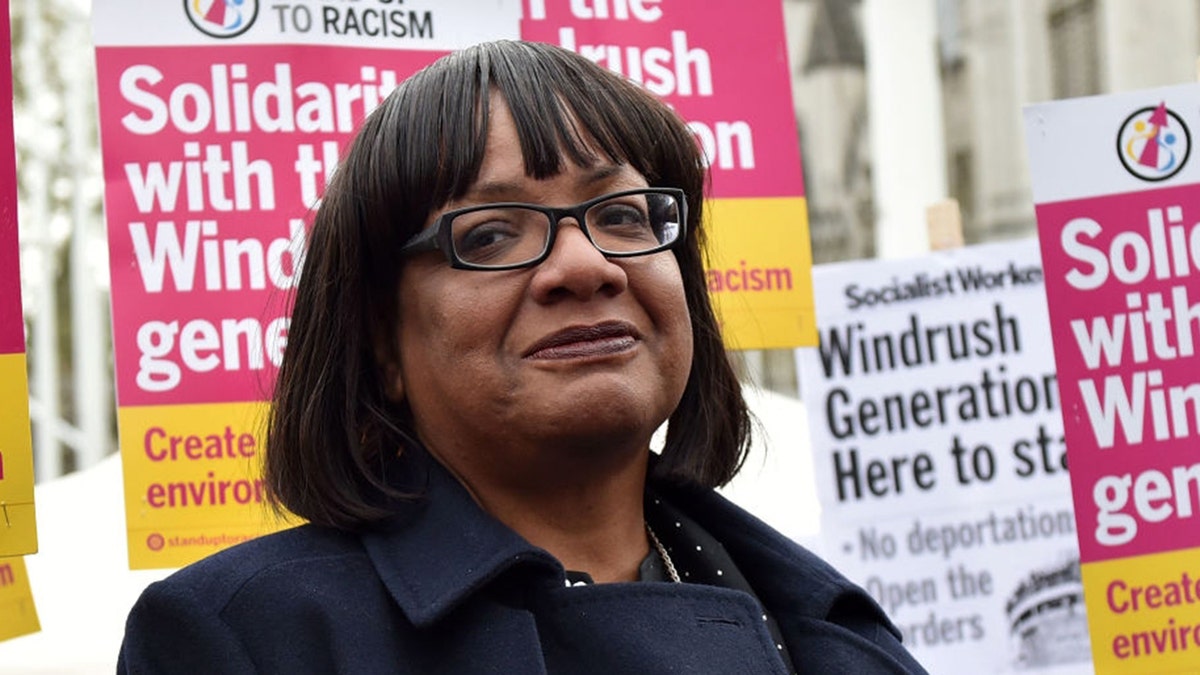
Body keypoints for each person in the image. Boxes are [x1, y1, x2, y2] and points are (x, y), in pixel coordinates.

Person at [118, 39, 927, 674]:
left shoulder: (832, 631)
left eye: (623, 215)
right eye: (491, 234)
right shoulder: (246, 640)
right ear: (379, 342)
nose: (586, 265)